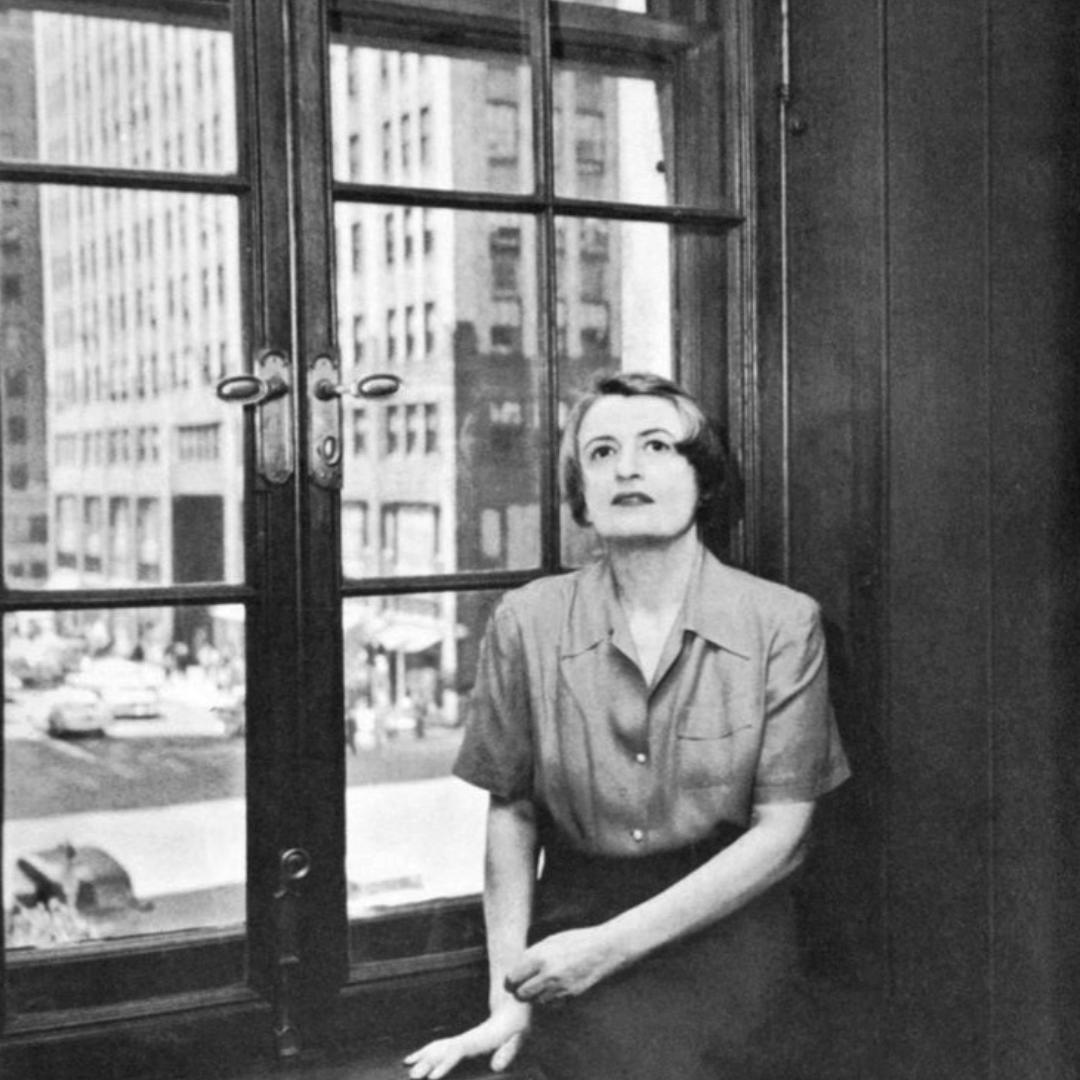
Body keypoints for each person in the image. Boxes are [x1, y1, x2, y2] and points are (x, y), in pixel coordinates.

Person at [404, 372, 851, 1080]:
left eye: (655, 446)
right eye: (601, 453)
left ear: (703, 480)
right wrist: (508, 998)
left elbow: (784, 836)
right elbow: (512, 815)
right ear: (581, 492)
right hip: (574, 913)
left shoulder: (783, 623)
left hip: (727, 922)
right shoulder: (527, 621)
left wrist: (607, 949)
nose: (628, 468)